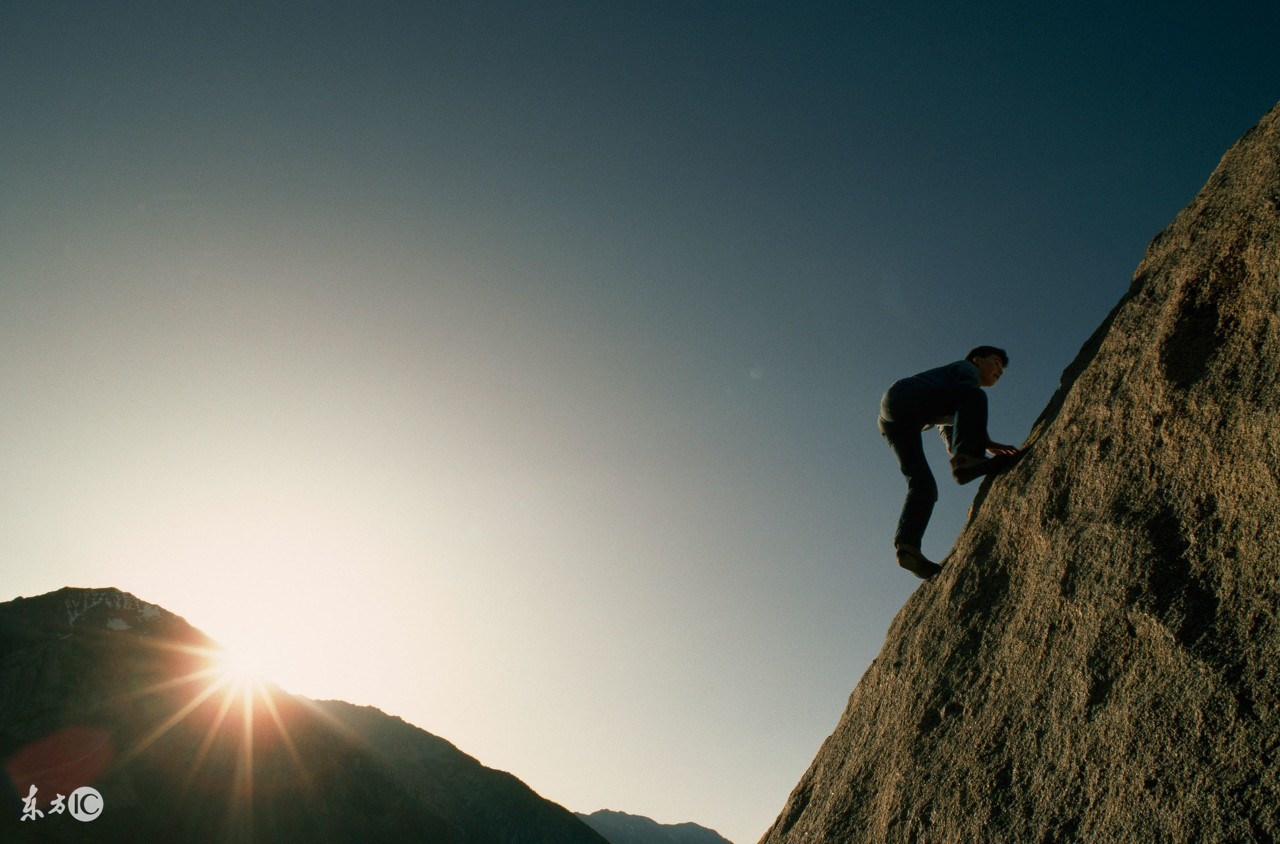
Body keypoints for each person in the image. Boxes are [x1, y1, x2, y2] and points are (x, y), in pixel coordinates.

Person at [878, 346, 1020, 579]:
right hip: (904, 396)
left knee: (923, 485)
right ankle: (968, 462)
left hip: (892, 420)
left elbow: (950, 436)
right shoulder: (966, 369)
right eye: (996, 363)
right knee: (975, 395)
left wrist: (979, 445)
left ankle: (908, 546)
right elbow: (967, 393)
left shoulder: (950, 395)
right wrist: (975, 449)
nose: (1000, 371)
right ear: (977, 360)